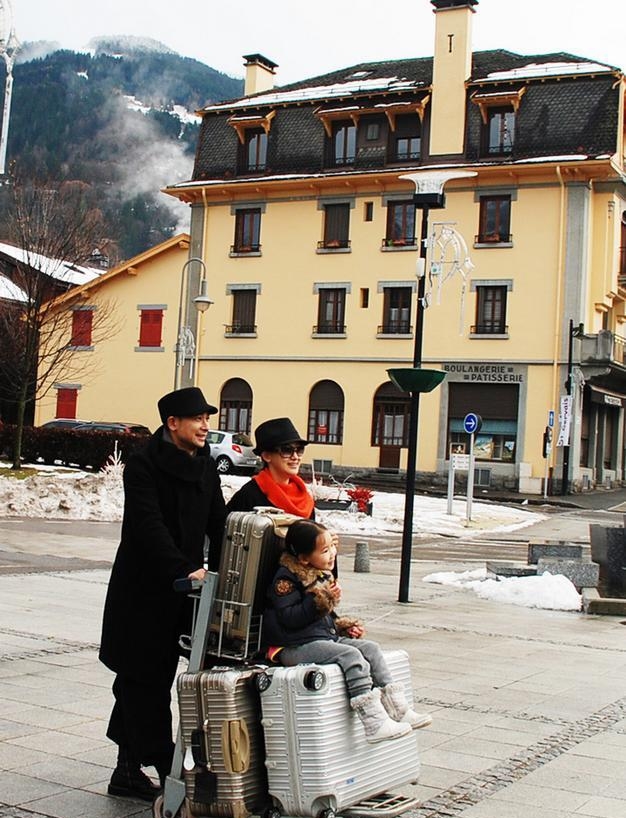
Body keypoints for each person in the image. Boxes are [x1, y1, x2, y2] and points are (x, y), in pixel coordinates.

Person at [99, 386, 227, 801]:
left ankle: (125, 770)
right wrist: (182, 568)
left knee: (142, 678)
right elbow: (148, 526)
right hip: (143, 588)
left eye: (208, 418)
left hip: (186, 590)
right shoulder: (143, 466)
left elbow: (219, 524)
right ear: (173, 423)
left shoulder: (206, 467)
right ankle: (159, 759)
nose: (206, 426)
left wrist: (234, 566)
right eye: (198, 419)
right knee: (143, 678)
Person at [263, 519, 432, 743]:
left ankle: (397, 708)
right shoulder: (286, 579)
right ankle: (373, 722)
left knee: (371, 649)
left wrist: (342, 627)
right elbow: (290, 619)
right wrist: (322, 601)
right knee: (351, 656)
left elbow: (321, 620)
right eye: (324, 551)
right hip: (292, 647)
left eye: (332, 548)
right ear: (304, 558)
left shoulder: (317, 574)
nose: (332, 555)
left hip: (316, 638)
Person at [226, 417, 314, 518]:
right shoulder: (249, 495)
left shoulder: (304, 497)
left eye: (299, 450)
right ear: (267, 456)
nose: (295, 457)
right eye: (286, 450)